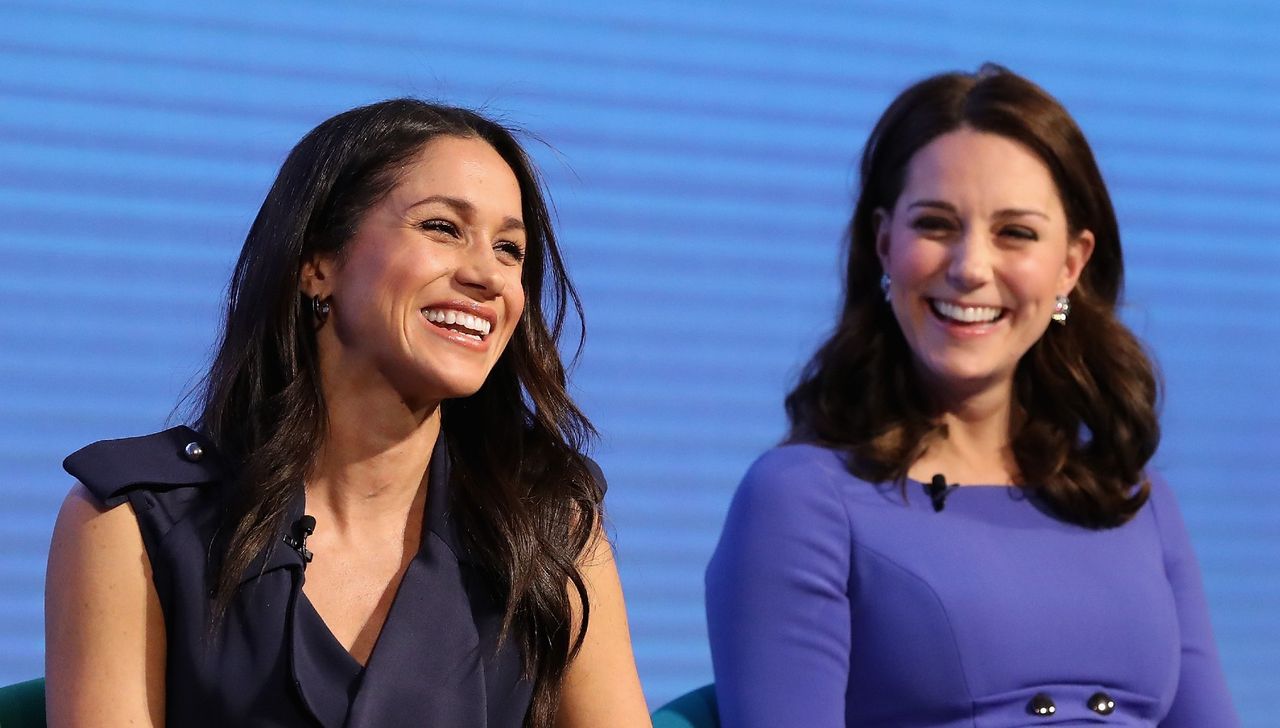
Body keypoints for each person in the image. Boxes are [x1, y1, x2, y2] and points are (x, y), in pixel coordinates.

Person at [45, 99, 651, 728]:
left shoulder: (548, 524)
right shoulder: (136, 520)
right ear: (317, 265)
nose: (487, 275)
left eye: (509, 249)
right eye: (443, 228)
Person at [705, 66, 1238, 726]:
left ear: (1071, 265)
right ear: (883, 246)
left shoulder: (1137, 501)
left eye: (1015, 232)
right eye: (935, 224)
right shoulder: (801, 499)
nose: (970, 267)